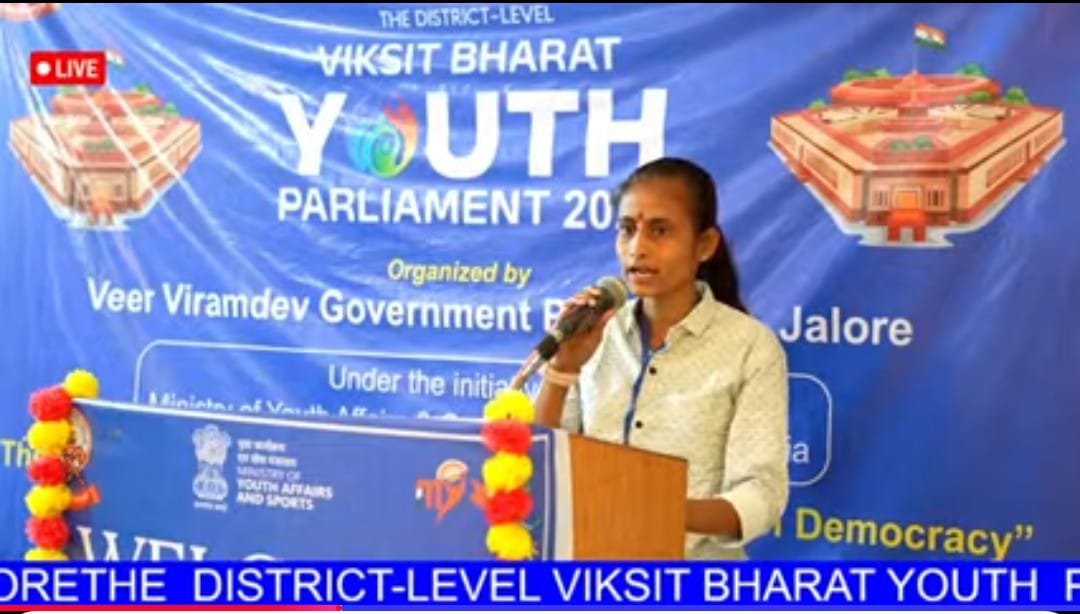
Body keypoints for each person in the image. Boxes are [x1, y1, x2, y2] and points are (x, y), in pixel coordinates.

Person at [534, 157, 790, 560]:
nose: (637, 248)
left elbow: (761, 496)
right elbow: (538, 460)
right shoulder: (596, 333)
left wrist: (659, 508)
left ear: (705, 245)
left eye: (660, 230)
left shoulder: (750, 347)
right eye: (627, 229)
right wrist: (562, 369)